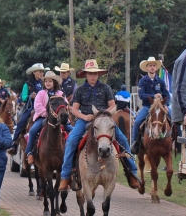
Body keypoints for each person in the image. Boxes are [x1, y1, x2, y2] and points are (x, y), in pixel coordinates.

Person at [58, 59, 140, 192]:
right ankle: (65, 176)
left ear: (98, 74)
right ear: (85, 75)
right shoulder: (80, 90)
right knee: (71, 140)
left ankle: (132, 172)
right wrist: (84, 117)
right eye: (90, 73)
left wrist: (105, 113)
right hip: (85, 120)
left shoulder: (105, 88)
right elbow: (74, 109)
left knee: (123, 139)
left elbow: (113, 105)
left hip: (104, 120)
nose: (92, 76)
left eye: (95, 73)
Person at [24, 71, 69, 166]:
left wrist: (62, 113)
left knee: (71, 130)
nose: (48, 83)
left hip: (58, 117)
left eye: (50, 81)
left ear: (54, 83)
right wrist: (47, 114)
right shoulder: (41, 93)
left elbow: (65, 104)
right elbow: (37, 105)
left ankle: (71, 152)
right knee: (32, 131)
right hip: (43, 117)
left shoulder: (60, 93)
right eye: (46, 81)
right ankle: (30, 152)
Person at [132, 56, 171, 146]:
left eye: (154, 65)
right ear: (147, 68)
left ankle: (178, 141)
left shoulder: (160, 81)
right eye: (150, 65)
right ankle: (135, 142)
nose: (152, 67)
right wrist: (154, 96)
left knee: (174, 118)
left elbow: (167, 95)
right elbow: (141, 95)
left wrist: (166, 104)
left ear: (156, 68)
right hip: (147, 107)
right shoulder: (142, 81)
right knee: (137, 121)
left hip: (160, 107)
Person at [11, 63, 45, 146]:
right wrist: (30, 96)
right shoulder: (27, 84)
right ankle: (15, 142)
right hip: (31, 107)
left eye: (42, 72)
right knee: (22, 121)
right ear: (34, 72)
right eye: (40, 71)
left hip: (44, 106)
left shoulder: (45, 83)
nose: (42, 73)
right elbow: (23, 97)